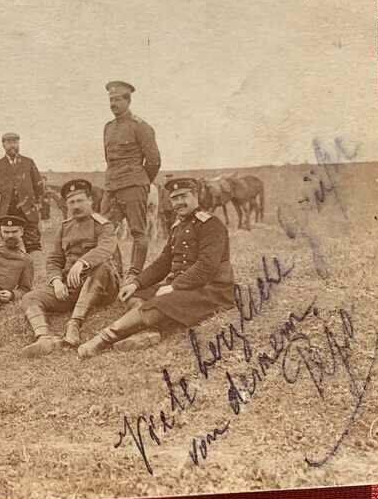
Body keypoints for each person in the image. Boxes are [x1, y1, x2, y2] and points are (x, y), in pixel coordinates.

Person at [78, 177, 234, 358]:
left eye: (184, 196)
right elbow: (164, 262)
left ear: (196, 196)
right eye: (174, 198)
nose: (178, 203)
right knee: (135, 295)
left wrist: (174, 286)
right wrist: (136, 283)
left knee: (160, 302)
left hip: (211, 290)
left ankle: (103, 339)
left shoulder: (211, 224)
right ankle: (148, 332)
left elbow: (206, 267)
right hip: (184, 286)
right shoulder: (178, 226)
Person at [21, 179, 121, 357]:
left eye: (80, 200)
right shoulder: (65, 227)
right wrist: (57, 281)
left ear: (90, 201)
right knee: (30, 297)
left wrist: (82, 262)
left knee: (102, 266)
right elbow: (54, 259)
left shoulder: (103, 225)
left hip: (102, 286)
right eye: (71, 202)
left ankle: (74, 324)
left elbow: (106, 249)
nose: (76, 206)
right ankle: (44, 337)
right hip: (72, 286)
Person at [101, 80, 161, 279]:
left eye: (117, 99)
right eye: (111, 99)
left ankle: (133, 275)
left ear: (128, 100)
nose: (113, 103)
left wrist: (140, 181)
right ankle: (114, 273)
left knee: (137, 232)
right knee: (105, 232)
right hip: (111, 187)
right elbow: (108, 159)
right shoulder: (108, 127)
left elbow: (153, 161)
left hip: (134, 186)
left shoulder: (141, 126)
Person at [0, 132, 47, 267]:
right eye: (8, 142)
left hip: (27, 211)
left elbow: (39, 186)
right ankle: (11, 272)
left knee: (32, 244)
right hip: (6, 212)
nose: (12, 145)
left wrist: (37, 205)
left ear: (19, 144)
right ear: (3, 145)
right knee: (8, 244)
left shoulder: (28, 162)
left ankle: (35, 272)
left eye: (15, 142)